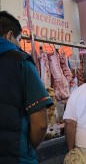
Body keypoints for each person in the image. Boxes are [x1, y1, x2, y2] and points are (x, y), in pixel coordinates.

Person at [0, 11, 53, 163]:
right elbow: (41, 124)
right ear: (10, 35)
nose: (19, 45)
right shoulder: (20, 61)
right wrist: (27, 149)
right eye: (18, 40)